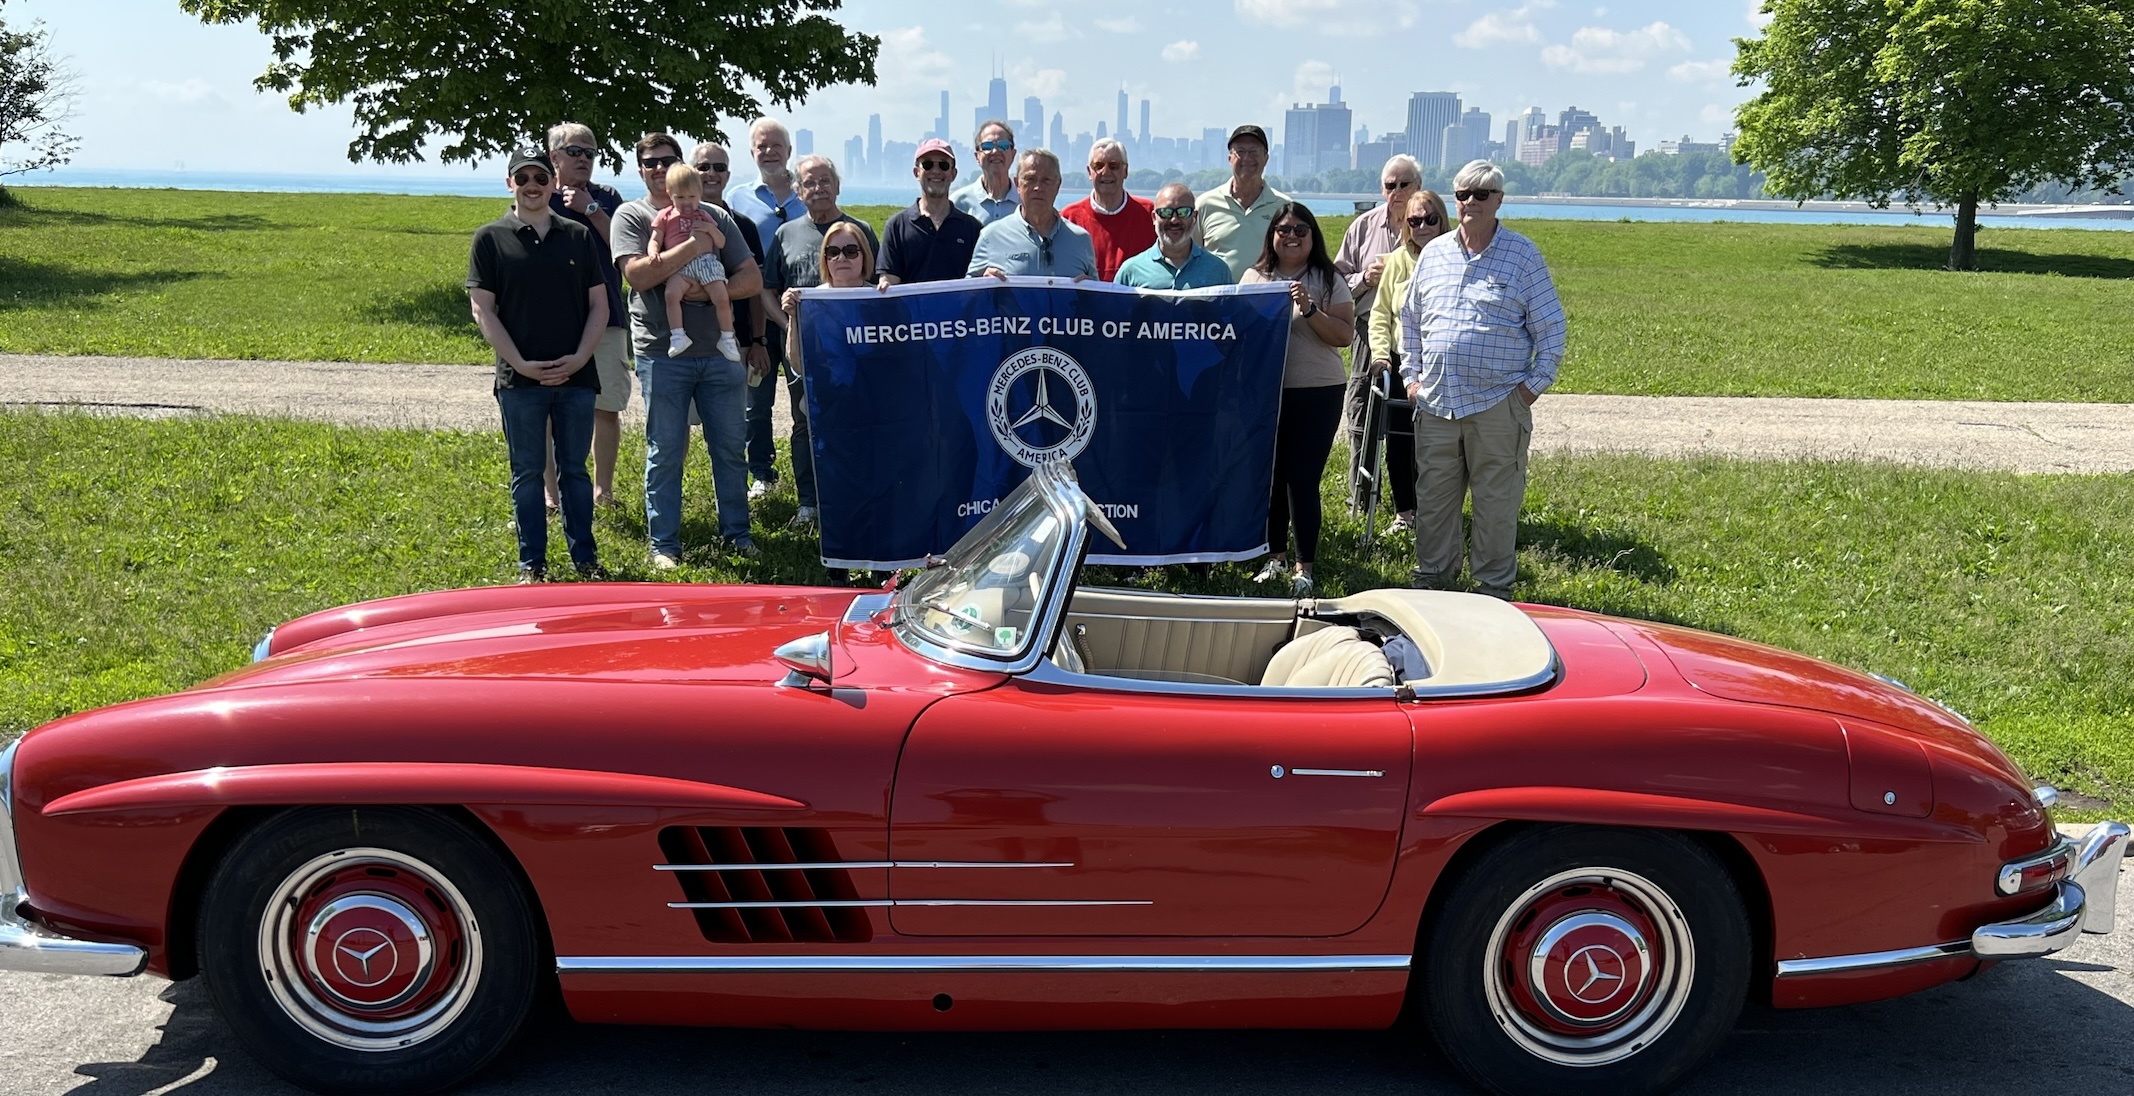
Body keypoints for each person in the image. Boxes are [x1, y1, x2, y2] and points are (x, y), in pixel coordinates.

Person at [1399, 160, 1567, 600]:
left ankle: (1493, 591)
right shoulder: (1433, 254)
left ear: (1499, 200)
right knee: (1433, 501)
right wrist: (1411, 378)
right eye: (1462, 194)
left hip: (1497, 402)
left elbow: (1552, 330)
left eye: (1482, 194)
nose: (1471, 201)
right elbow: (1410, 321)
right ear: (1453, 201)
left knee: (1495, 505)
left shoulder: (1523, 255)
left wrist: (1529, 390)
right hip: (1435, 401)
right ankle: (1433, 584)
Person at [611, 132, 766, 569]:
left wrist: (702, 296)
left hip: (721, 354)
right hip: (663, 353)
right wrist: (692, 248)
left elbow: (751, 279)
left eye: (667, 161)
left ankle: (737, 534)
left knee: (731, 448)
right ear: (640, 168)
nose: (659, 169)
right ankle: (664, 544)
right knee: (664, 450)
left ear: (683, 167)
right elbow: (638, 276)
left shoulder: (714, 215)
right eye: (650, 162)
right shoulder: (632, 216)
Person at [466, 146, 609, 583]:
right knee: (527, 472)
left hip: (576, 377)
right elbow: (482, 311)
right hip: (519, 381)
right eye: (523, 178)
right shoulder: (489, 238)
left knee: (576, 471)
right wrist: (522, 365)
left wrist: (582, 356)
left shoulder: (578, 236)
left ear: (553, 183)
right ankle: (533, 564)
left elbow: (600, 306)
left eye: (540, 178)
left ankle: (585, 559)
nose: (532, 185)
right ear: (510, 183)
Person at [1239, 203, 1353, 596]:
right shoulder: (1254, 278)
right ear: (1272, 234)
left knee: (1301, 479)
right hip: (1266, 393)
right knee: (1272, 477)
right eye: (1284, 229)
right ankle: (1275, 557)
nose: (1291, 236)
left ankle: (1305, 565)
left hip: (1318, 391)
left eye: (1300, 230)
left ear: (1313, 236)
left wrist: (1308, 308)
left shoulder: (1327, 277)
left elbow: (1344, 335)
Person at [762, 155, 881, 528]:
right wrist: (791, 323)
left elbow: (877, 287)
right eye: (810, 183)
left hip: (861, 359)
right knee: (805, 426)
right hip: (806, 349)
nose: (818, 189)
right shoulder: (786, 234)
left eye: (825, 181)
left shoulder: (859, 229)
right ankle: (809, 503)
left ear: (837, 185)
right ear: (798, 191)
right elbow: (768, 288)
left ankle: (863, 500)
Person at [781, 220, 879, 584]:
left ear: (864, 258)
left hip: (874, 414)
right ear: (824, 259)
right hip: (830, 415)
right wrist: (793, 316)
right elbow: (797, 361)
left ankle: (878, 563)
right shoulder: (812, 300)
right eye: (833, 251)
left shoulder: (879, 298)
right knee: (838, 492)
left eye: (851, 251)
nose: (842, 258)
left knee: (875, 489)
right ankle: (839, 566)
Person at [542, 122, 629, 511]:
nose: (583, 160)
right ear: (554, 157)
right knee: (545, 408)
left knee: (606, 406)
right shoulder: (539, 194)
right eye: (574, 152)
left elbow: (625, 249)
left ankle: (602, 491)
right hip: (552, 320)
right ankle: (550, 493)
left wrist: (590, 209)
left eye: (590, 153)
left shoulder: (607, 197)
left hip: (607, 318)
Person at [725, 119, 807, 501]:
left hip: (801, 319)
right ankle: (761, 471)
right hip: (755, 316)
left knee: (803, 403)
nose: (769, 151)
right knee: (756, 401)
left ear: (789, 151)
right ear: (752, 152)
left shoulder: (806, 195)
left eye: (777, 145)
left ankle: (809, 478)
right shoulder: (738, 199)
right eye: (762, 146)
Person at [1362, 187, 1451, 534]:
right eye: (1415, 220)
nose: (1423, 226)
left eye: (1430, 219)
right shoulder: (1397, 261)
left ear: (1442, 221)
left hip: (1443, 364)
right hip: (1401, 361)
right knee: (1400, 442)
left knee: (1439, 444)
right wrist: (1381, 354)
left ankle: (1437, 512)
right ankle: (1405, 513)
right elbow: (1381, 314)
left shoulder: (1454, 257)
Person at [1335, 154, 1424, 466]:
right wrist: (1364, 279)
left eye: (1404, 184)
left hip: (1418, 332)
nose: (1397, 191)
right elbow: (1335, 281)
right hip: (1368, 325)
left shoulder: (1430, 225)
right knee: (1363, 406)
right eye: (1390, 185)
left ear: (1418, 186)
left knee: (1411, 413)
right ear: (1382, 189)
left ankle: (1412, 499)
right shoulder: (1363, 227)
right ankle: (1360, 498)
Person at [691, 141, 772, 403]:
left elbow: (756, 288)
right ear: (691, 172)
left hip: (737, 339)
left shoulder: (744, 226)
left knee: (734, 424)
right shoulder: (673, 222)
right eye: (703, 167)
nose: (711, 173)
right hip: (688, 341)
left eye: (719, 167)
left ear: (727, 175)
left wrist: (759, 340)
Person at [648, 163, 741, 361]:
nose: (687, 203)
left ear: (699, 194)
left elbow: (721, 242)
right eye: (680, 197)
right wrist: (653, 252)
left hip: (706, 262)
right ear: (670, 193)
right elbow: (655, 238)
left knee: (721, 296)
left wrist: (709, 229)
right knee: (671, 294)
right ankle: (678, 335)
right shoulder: (665, 215)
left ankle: (727, 337)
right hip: (680, 265)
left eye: (692, 197)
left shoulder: (704, 214)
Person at [967, 149, 1097, 280]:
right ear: (1017, 183)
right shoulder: (991, 237)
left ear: (1058, 185)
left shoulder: (1080, 240)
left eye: (1046, 180)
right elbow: (966, 295)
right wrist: (981, 285)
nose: (1038, 188)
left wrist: (1092, 291)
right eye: (1030, 179)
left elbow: (1098, 297)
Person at [878, 138, 983, 288]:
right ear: (917, 172)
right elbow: (889, 281)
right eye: (927, 165)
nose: (936, 171)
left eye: (943, 165)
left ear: (953, 174)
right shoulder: (896, 227)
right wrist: (885, 285)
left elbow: (980, 282)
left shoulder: (972, 228)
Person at [1194, 125, 1292, 282]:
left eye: (1253, 151)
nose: (1247, 158)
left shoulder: (1283, 206)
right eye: (1240, 151)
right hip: (1216, 299)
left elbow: (1294, 256)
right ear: (1229, 158)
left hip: (1265, 299)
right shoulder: (1205, 204)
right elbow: (1192, 255)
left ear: (1266, 158)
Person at [1059, 138, 1155, 281]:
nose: (1106, 172)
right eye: (1098, 166)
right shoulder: (1068, 218)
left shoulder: (1150, 214)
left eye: (1114, 166)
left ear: (1125, 171)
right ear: (1089, 172)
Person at [1113, 182, 1231, 290]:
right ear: (1154, 218)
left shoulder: (1218, 271)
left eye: (1183, 212)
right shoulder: (1131, 271)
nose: (1174, 220)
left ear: (1194, 217)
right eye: (1166, 212)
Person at [950, 119, 1020, 225]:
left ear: (1013, 154)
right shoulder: (958, 202)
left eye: (1003, 145)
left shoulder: (1025, 201)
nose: (995, 151)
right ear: (977, 156)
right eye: (987, 146)